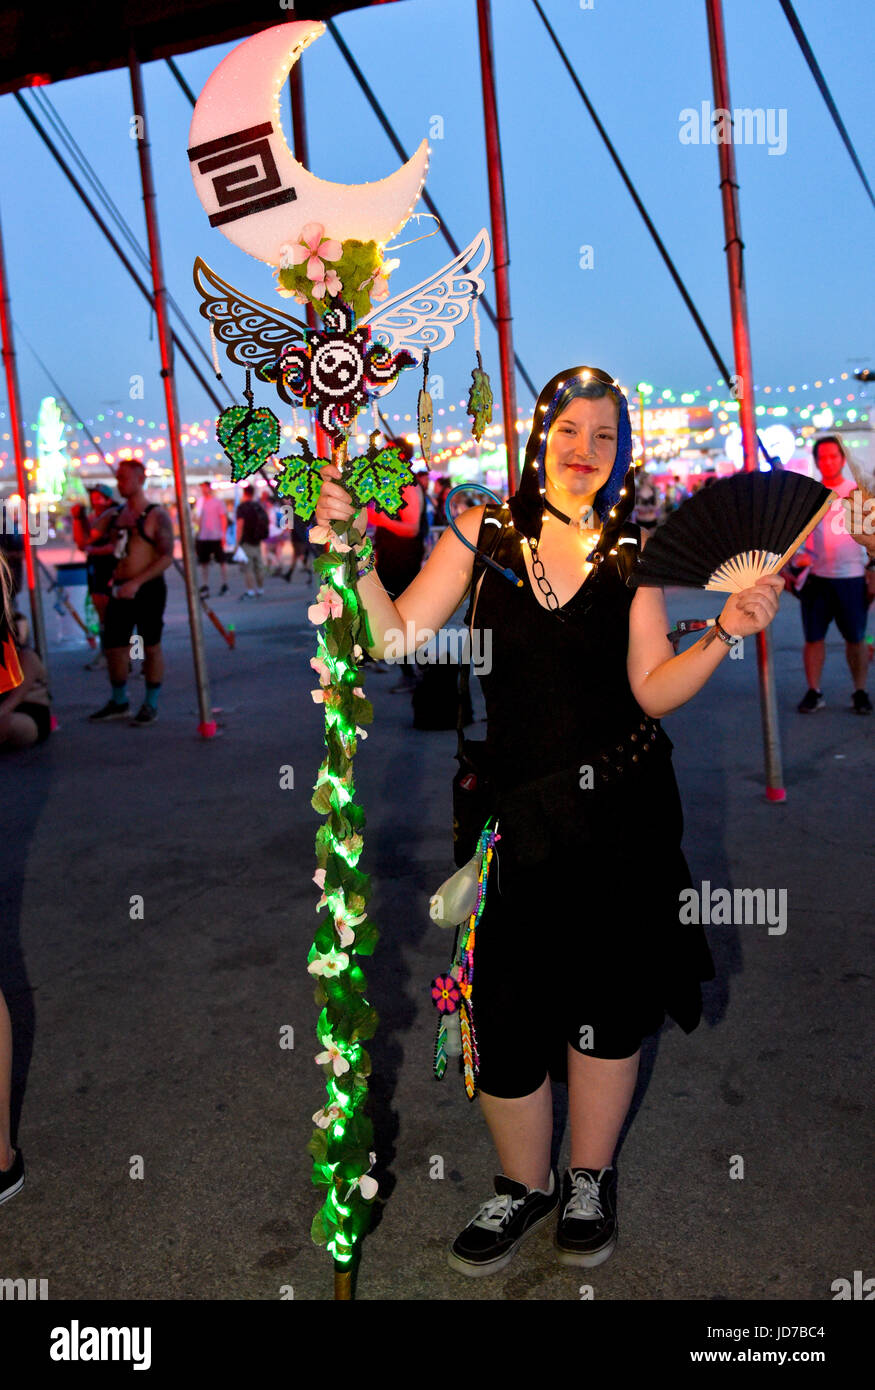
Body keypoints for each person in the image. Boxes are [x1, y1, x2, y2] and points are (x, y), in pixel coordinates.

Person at [315, 364, 783, 1276]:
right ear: (539, 436)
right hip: (515, 819)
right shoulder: (483, 531)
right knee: (506, 1007)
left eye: (604, 437)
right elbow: (396, 638)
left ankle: (586, 1179)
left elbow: (652, 687)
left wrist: (723, 631)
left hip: (625, 813)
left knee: (609, 1003)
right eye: (570, 431)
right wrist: (353, 553)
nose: (584, 452)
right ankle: (522, 1184)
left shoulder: (631, 552)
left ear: (621, 452)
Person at [87, 457, 174, 726]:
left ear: (140, 479)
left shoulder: (156, 515)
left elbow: (167, 555)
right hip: (120, 587)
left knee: (151, 645)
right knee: (114, 646)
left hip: (147, 588)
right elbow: (90, 536)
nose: (119, 483)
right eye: (118, 478)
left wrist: (137, 582)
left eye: (124, 478)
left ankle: (151, 703)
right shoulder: (117, 515)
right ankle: (119, 700)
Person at [794, 436, 872, 715]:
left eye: (833, 456)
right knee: (813, 638)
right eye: (822, 457)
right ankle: (814, 691)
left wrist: (871, 573)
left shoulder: (857, 493)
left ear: (842, 459)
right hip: (816, 578)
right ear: (816, 460)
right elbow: (795, 538)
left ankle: (860, 691)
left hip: (852, 578)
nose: (827, 462)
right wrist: (795, 560)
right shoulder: (808, 497)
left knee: (856, 638)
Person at [72, 483, 119, 669]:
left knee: (119, 614)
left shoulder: (113, 515)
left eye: (98, 496)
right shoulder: (95, 517)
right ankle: (107, 653)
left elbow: (90, 542)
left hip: (113, 568)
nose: (94, 500)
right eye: (92, 496)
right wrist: (78, 518)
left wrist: (93, 548)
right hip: (96, 568)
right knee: (102, 611)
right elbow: (81, 542)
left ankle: (129, 656)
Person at [194, 480, 229, 597]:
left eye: (205, 487)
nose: (203, 490)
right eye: (202, 488)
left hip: (216, 536)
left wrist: (223, 535)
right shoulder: (199, 502)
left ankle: (225, 583)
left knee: (222, 561)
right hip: (203, 536)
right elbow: (196, 518)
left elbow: (223, 518)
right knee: (204, 562)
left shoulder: (218, 502)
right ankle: (205, 585)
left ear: (209, 488)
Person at [235, 484, 270, 599]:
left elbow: (240, 526)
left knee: (248, 568)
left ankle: (250, 591)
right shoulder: (258, 506)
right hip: (257, 540)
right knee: (258, 566)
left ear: (244, 493)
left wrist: (237, 543)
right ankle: (260, 589)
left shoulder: (242, 507)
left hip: (246, 541)